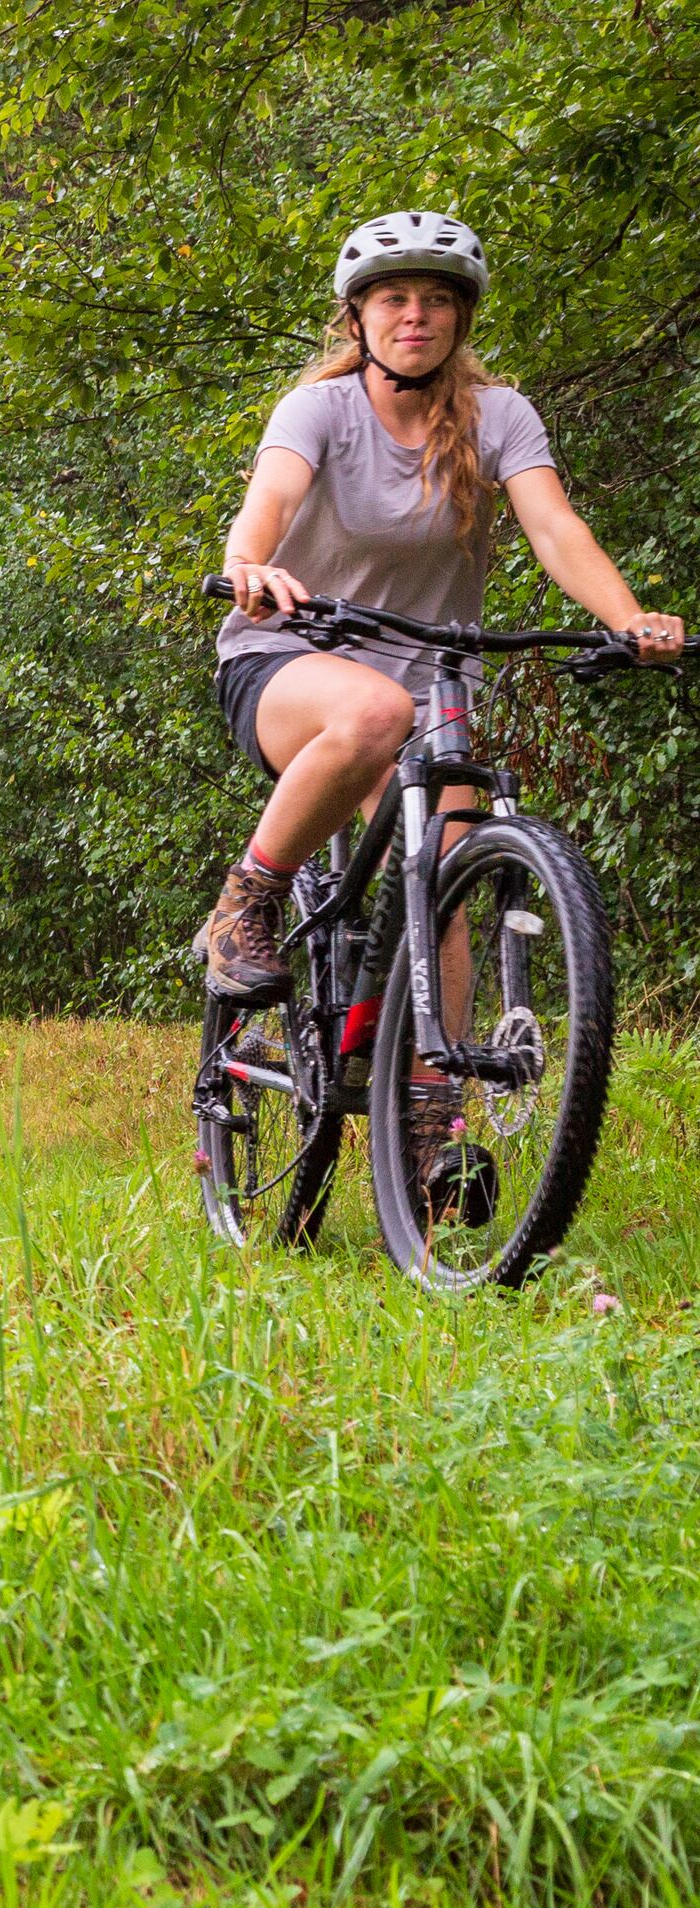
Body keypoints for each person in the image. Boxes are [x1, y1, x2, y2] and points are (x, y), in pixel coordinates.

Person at [199, 210, 682, 1197]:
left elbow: (554, 527)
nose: (414, 315)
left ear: (461, 318)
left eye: (435, 300)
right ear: (358, 318)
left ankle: (428, 1125)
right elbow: (269, 502)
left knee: (445, 875)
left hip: (429, 677)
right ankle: (245, 905)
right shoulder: (319, 411)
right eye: (393, 298)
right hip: (288, 658)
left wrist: (630, 618)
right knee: (374, 713)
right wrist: (250, 566)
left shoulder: (499, 416)